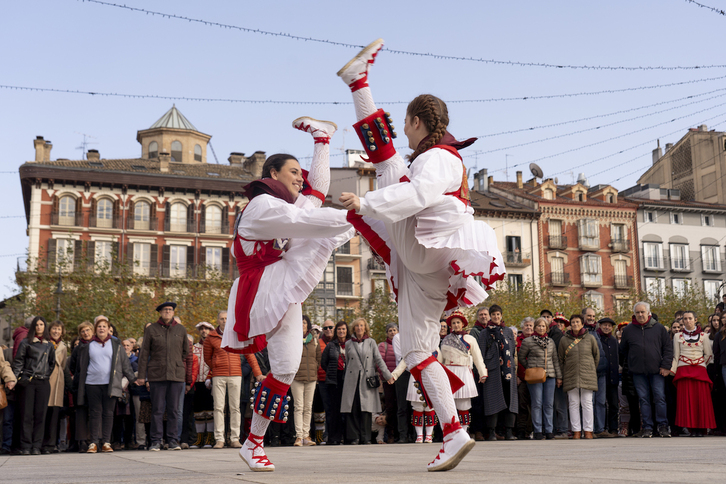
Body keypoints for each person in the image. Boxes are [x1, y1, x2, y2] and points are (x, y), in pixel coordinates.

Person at [337, 39, 505, 471]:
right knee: (416, 351)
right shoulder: (431, 156)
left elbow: (418, 193)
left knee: (388, 166)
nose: (404, 133)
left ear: (414, 121)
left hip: (429, 247)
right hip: (422, 270)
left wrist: (366, 204)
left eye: (406, 125)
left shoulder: (439, 157)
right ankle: (453, 433)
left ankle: (358, 82)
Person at [222, 118, 355, 472]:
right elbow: (304, 221)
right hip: (265, 284)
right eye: (293, 171)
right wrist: (361, 216)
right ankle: (253, 442)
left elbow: (317, 190)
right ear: (272, 173)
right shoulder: (262, 206)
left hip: (280, 287)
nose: (300, 177)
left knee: (285, 368)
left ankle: (253, 443)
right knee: (312, 232)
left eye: (300, 171)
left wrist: (322, 140)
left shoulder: (287, 205)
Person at [73, 317, 136, 453]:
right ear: (95, 329)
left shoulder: (115, 344)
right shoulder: (89, 345)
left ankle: (106, 442)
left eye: (104, 326)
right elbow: (81, 366)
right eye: (99, 326)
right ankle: (94, 442)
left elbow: (125, 364)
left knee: (108, 413)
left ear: (108, 330)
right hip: (92, 383)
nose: (101, 328)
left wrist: (133, 379)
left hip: (110, 384)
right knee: (95, 412)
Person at [136, 301, 192, 451]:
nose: (167, 312)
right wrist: (142, 376)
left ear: (173, 312)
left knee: (174, 410)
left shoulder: (181, 329)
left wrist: (174, 361)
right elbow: (144, 353)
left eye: (170, 310)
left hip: (176, 374)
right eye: (165, 310)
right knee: (157, 409)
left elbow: (186, 352)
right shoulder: (151, 329)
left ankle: (173, 440)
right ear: (160, 312)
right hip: (157, 375)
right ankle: (155, 441)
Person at [619, 302, 673, 438]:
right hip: (638, 372)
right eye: (637, 312)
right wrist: (632, 363)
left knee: (660, 398)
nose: (640, 315)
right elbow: (623, 351)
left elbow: (668, 348)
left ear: (648, 313)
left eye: (642, 312)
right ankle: (647, 427)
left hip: (657, 371)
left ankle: (662, 426)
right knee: (643, 399)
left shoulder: (659, 328)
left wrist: (666, 366)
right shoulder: (628, 330)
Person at [341, 319, 393, 445]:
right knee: (353, 408)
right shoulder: (348, 343)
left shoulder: (371, 342)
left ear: (365, 328)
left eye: (362, 326)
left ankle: (366, 437)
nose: (359, 328)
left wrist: (388, 376)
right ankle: (354, 437)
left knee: (366, 409)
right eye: (357, 326)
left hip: (366, 380)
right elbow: (348, 362)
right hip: (352, 380)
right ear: (353, 329)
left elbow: (379, 360)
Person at [11, 316, 56, 455]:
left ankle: (37, 446)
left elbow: (51, 363)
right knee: (27, 415)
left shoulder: (49, 345)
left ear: (45, 326)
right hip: (28, 383)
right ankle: (26, 446)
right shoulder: (26, 343)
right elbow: (18, 361)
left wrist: (45, 375)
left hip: (43, 383)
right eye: (36, 325)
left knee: (40, 415)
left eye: (42, 324)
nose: (39, 327)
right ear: (33, 327)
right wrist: (18, 378)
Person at [437, 310, 486, 434]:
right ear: (450, 325)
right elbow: (440, 359)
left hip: (464, 371)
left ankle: (464, 431)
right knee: (449, 404)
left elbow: (477, 357)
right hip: (449, 373)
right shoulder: (445, 339)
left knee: (464, 404)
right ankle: (453, 431)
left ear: (462, 324)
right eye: (453, 323)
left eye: (458, 322)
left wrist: (482, 372)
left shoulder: (470, 339)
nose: (456, 325)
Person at [670, 311, 715, 436]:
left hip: (700, 371)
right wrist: (673, 371)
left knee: (701, 401)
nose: (687, 321)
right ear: (682, 321)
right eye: (685, 319)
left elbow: (708, 354)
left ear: (695, 320)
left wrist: (700, 365)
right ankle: (691, 428)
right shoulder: (677, 336)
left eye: (690, 318)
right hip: (683, 370)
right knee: (687, 401)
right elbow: (676, 355)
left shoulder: (704, 336)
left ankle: (701, 429)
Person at [204, 310, 244, 449]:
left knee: (235, 408)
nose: (224, 321)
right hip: (219, 375)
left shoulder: (236, 335)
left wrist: (257, 373)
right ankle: (219, 439)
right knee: (218, 408)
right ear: (217, 320)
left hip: (235, 374)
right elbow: (207, 357)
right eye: (221, 318)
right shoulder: (211, 336)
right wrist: (216, 366)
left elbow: (248, 353)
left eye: (227, 318)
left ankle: (235, 438)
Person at [477, 305, 518, 441]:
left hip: (508, 371)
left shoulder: (508, 331)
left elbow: (512, 351)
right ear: (490, 316)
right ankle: (492, 431)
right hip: (493, 371)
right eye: (493, 314)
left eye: (498, 314)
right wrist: (482, 371)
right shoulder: (485, 333)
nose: (496, 317)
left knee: (509, 400)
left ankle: (508, 431)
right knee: (493, 401)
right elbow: (481, 353)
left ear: (501, 315)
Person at [518, 317, 562, 440]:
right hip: (535, 377)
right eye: (539, 326)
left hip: (550, 376)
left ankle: (548, 430)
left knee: (548, 404)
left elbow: (555, 360)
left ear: (547, 328)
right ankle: (537, 430)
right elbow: (521, 358)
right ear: (535, 328)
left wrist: (559, 377)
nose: (541, 328)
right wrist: (530, 368)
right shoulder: (528, 341)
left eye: (543, 326)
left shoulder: (551, 342)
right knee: (536, 403)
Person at [558, 314, 599, 439]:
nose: (575, 324)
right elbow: (560, 359)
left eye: (577, 322)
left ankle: (588, 431)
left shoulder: (590, 338)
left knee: (587, 403)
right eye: (573, 322)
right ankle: (576, 431)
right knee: (573, 403)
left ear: (582, 324)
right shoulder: (564, 340)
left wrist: (590, 369)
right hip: (570, 374)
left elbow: (596, 357)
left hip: (587, 374)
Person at [291, 315, 321, 446]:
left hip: (311, 378)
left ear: (308, 325)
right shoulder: (292, 338)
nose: (302, 324)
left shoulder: (314, 339)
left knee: (308, 407)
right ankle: (299, 436)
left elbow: (318, 357)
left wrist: (314, 369)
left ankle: (306, 435)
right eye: (300, 322)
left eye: (304, 322)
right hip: (296, 377)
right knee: (298, 407)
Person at [321, 321, 349, 445]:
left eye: (343, 329)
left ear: (347, 330)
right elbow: (323, 362)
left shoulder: (351, 344)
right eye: (339, 329)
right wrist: (332, 371)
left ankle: (348, 436)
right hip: (334, 379)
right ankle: (334, 437)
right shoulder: (331, 345)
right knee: (334, 410)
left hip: (348, 379)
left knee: (348, 410)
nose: (341, 331)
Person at [42, 320, 68, 453]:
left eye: (59, 329)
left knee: (54, 414)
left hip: (58, 381)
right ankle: (41, 443)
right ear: (49, 330)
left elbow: (63, 365)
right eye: (54, 329)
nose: (56, 331)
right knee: (43, 412)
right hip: (46, 379)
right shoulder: (44, 343)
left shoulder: (63, 346)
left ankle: (51, 444)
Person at [594, 318, 621, 438]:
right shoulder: (596, 339)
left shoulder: (614, 341)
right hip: (601, 376)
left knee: (614, 404)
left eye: (609, 326)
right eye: (604, 325)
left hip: (613, 377)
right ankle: (601, 428)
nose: (607, 327)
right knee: (601, 403)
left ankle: (614, 429)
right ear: (600, 326)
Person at [190, 321, 214, 448]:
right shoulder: (194, 347)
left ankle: (210, 438)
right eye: (201, 329)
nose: (204, 331)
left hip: (209, 381)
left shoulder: (213, 345)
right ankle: (199, 438)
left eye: (206, 329)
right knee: (198, 411)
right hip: (197, 382)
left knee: (210, 410)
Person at [378, 322, 399, 443]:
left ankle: (401, 433)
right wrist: (387, 377)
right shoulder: (383, 345)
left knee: (401, 407)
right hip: (388, 381)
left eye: (394, 330)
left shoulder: (402, 344)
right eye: (390, 330)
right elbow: (379, 363)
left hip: (400, 380)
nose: (392, 332)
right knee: (390, 407)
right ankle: (390, 433)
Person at [515, 317, 534, 440]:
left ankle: (530, 430)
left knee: (534, 406)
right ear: (522, 328)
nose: (528, 327)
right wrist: (516, 376)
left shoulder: (537, 340)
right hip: (521, 379)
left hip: (535, 379)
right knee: (522, 406)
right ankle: (521, 431)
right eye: (526, 325)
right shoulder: (516, 340)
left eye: (531, 326)